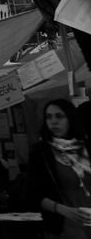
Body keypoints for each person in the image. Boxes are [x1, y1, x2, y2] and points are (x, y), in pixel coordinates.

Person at [28, 98, 91, 238]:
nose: (53, 122)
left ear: (70, 118)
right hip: (65, 225)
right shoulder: (41, 152)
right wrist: (63, 210)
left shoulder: (85, 147)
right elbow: (34, 195)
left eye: (59, 116)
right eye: (48, 117)